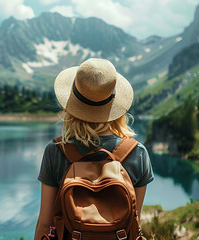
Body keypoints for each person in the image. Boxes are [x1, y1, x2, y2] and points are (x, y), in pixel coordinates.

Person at [35, 58, 154, 239]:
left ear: (72, 104)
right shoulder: (137, 152)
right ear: (115, 106)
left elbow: (46, 223)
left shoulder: (55, 151)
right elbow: (134, 221)